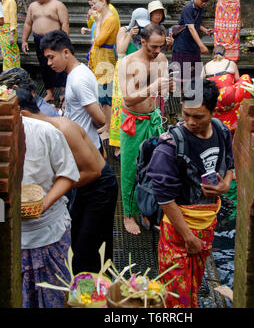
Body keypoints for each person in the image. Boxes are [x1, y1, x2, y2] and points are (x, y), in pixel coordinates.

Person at [147, 79, 234, 308]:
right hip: (179, 230)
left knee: (194, 282)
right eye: (186, 114)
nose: (190, 122)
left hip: (208, 223)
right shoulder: (170, 146)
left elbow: (230, 164)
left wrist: (225, 185)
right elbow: (164, 197)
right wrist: (188, 236)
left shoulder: (222, 130)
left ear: (213, 111)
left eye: (198, 117)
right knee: (175, 292)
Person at [39, 30, 118, 274]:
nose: (49, 63)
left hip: (89, 158)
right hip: (86, 154)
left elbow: (97, 118)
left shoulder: (78, 78)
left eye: (52, 57)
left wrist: (78, 130)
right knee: (85, 229)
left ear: (66, 52)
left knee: (89, 238)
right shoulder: (75, 74)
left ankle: (95, 283)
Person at [19, 92, 80, 308]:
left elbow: (69, 174)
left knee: (55, 297)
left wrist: (44, 204)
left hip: (48, 231)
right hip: (11, 236)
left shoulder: (44, 131)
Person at [118, 23, 175, 235]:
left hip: (153, 117)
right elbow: (128, 99)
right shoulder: (128, 63)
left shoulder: (160, 59)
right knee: (130, 167)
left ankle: (147, 207)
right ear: (142, 42)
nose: (158, 51)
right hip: (133, 120)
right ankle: (128, 213)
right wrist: (152, 88)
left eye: (161, 46)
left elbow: (162, 88)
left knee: (156, 165)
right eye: (153, 46)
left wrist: (168, 87)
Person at [109, 8, 150, 158]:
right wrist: (130, 34)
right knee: (121, 106)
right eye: (138, 24)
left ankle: (136, 142)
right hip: (123, 70)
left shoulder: (146, 34)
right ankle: (118, 146)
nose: (140, 27)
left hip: (139, 71)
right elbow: (120, 51)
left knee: (136, 105)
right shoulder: (123, 30)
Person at [21, 0, 69, 104]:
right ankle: (49, 93)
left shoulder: (58, 5)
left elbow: (65, 23)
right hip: (39, 39)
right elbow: (27, 23)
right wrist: (24, 40)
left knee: (59, 64)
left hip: (55, 39)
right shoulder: (32, 6)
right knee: (44, 65)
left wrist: (65, 41)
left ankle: (63, 91)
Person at [88, 0, 120, 141]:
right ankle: (106, 125)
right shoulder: (103, 16)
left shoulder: (110, 18)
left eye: (95, 3)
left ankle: (109, 128)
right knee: (102, 96)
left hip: (106, 59)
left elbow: (98, 40)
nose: (94, 6)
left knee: (107, 97)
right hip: (99, 59)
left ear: (103, 1)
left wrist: (98, 21)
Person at [201, 45, 251, 135]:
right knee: (245, 77)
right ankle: (239, 117)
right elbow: (237, 79)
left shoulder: (205, 66)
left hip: (214, 101)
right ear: (225, 54)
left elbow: (201, 83)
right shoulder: (231, 63)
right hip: (229, 99)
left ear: (213, 54)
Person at [172, 0, 212, 83]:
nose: (204, 3)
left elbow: (195, 23)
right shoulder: (188, 8)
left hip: (193, 44)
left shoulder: (200, 8)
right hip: (183, 44)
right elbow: (191, 28)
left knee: (196, 71)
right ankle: (180, 96)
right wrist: (201, 45)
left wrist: (205, 30)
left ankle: (194, 94)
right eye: (202, 1)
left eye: (206, 1)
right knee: (181, 73)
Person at [0, 0, 20, 71]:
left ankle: (13, 76)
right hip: (3, 30)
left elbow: (13, 18)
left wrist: (11, 34)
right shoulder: (3, 0)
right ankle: (7, 76)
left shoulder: (10, 1)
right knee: (6, 55)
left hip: (9, 31)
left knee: (11, 55)